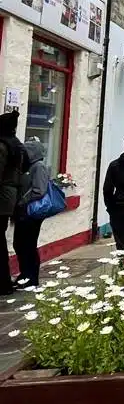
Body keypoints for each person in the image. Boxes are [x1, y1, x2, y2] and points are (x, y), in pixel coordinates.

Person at [13, 139, 49, 289]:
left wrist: (22, 201)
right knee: (19, 244)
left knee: (27, 245)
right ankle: (24, 274)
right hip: (23, 213)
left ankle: (31, 277)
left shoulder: (38, 167)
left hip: (32, 213)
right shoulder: (28, 167)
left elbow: (39, 190)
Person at [0, 110, 27, 295]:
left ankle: (3, 283)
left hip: (2, 197)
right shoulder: (17, 145)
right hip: (11, 197)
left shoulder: (2, 146)